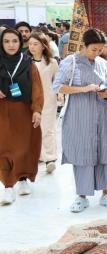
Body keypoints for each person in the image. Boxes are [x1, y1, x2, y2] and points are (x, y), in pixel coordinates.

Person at [53, 28, 107, 213]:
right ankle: (81, 197)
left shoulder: (102, 63)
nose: (97, 53)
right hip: (80, 115)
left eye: (100, 49)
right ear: (84, 46)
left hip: (103, 113)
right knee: (82, 153)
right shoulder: (70, 62)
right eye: (94, 49)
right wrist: (84, 89)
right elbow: (57, 86)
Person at [0, 28, 43, 205]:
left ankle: (23, 178)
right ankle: (8, 186)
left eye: (14, 41)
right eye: (6, 41)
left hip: (24, 112)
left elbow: (37, 87)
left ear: (20, 43)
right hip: (2, 112)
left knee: (24, 147)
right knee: (4, 148)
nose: (11, 45)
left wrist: (37, 110)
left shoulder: (27, 63)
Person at [27, 31, 59, 174]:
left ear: (43, 45)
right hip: (30, 101)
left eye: (35, 44)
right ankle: (39, 155)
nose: (32, 47)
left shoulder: (52, 62)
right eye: (30, 44)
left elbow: (57, 80)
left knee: (48, 129)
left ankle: (50, 159)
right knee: (34, 129)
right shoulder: (25, 62)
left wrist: (60, 94)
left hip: (49, 99)